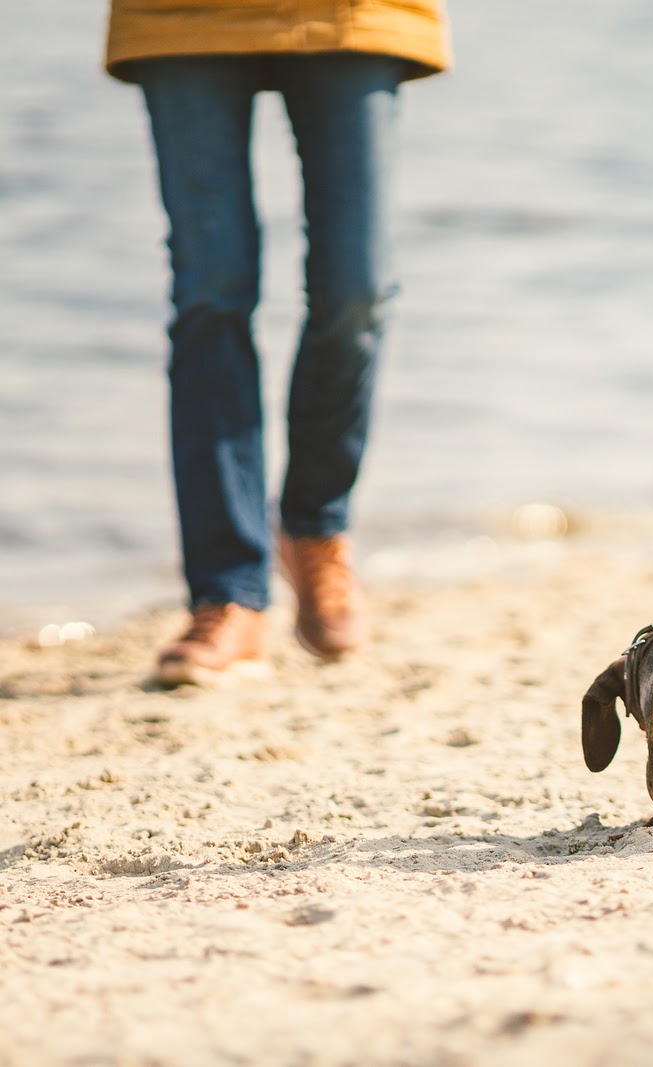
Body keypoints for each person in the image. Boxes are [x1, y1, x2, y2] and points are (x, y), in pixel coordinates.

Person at [104, 1, 450, 685]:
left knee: (358, 289)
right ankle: (227, 593)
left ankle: (316, 528)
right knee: (210, 295)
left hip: (352, 13)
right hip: (181, 15)